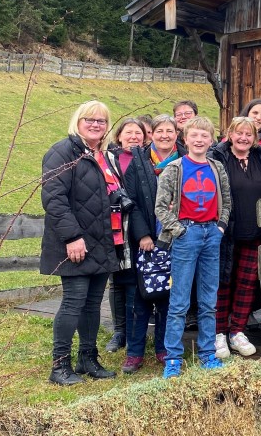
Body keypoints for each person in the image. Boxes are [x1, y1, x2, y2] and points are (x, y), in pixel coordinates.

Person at [41, 100, 121, 385]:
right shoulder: (63, 152)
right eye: (90, 119)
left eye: (101, 121)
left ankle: (87, 358)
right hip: (75, 242)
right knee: (74, 302)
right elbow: (54, 199)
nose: (96, 124)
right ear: (78, 120)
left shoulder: (102, 155)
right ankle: (59, 365)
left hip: (100, 241)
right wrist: (72, 237)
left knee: (92, 304)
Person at [155, 116, 232, 379]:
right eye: (194, 136)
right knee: (179, 301)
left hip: (211, 233)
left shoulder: (217, 167)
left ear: (211, 140)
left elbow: (227, 201)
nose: (199, 140)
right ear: (185, 139)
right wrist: (179, 230)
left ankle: (207, 353)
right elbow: (160, 207)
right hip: (186, 235)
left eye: (204, 136)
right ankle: (173, 358)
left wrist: (220, 227)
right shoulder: (174, 169)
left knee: (209, 300)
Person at [120, 115, 181, 373]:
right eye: (160, 131)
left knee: (168, 296)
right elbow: (130, 201)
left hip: (175, 238)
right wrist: (143, 234)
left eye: (170, 131)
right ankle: (134, 352)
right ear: (151, 134)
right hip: (146, 240)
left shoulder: (185, 160)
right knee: (141, 296)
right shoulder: (139, 161)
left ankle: (163, 348)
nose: (165, 135)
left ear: (177, 134)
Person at [210, 117, 261, 358]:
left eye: (248, 134)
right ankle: (219, 333)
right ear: (230, 134)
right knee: (222, 282)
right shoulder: (218, 157)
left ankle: (237, 330)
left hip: (255, 230)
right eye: (239, 133)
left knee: (246, 283)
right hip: (225, 232)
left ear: (254, 138)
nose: (243, 138)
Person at [104, 117, 148, 354]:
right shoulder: (110, 159)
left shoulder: (147, 159)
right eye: (129, 133)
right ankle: (119, 330)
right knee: (117, 279)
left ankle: (134, 330)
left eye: (138, 133)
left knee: (134, 278)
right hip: (115, 225)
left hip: (139, 225)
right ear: (119, 136)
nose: (133, 137)